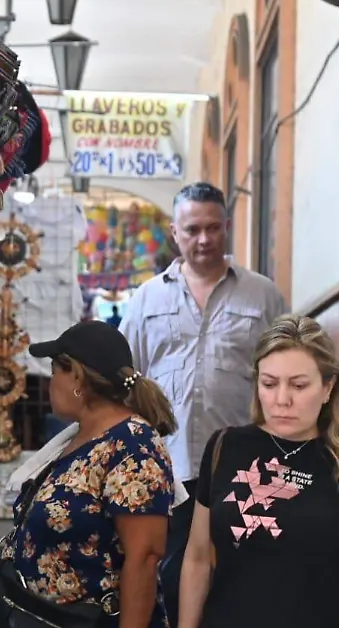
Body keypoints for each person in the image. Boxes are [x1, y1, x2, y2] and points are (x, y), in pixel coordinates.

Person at [119, 181, 285, 623]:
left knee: (240, 577)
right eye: (193, 229)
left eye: (213, 228)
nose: (204, 239)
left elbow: (288, 374)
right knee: (170, 577)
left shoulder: (263, 296)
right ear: (175, 232)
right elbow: (123, 379)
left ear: (228, 227)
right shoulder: (146, 299)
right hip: (166, 467)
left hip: (244, 464)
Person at [177, 314, 339, 628]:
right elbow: (198, 558)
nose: (282, 400)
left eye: (299, 385)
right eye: (269, 384)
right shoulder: (225, 447)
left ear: (328, 387)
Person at [0, 321, 175, 628]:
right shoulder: (81, 436)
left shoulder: (132, 447)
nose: (50, 385)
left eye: (54, 374)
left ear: (76, 376)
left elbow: (144, 557)